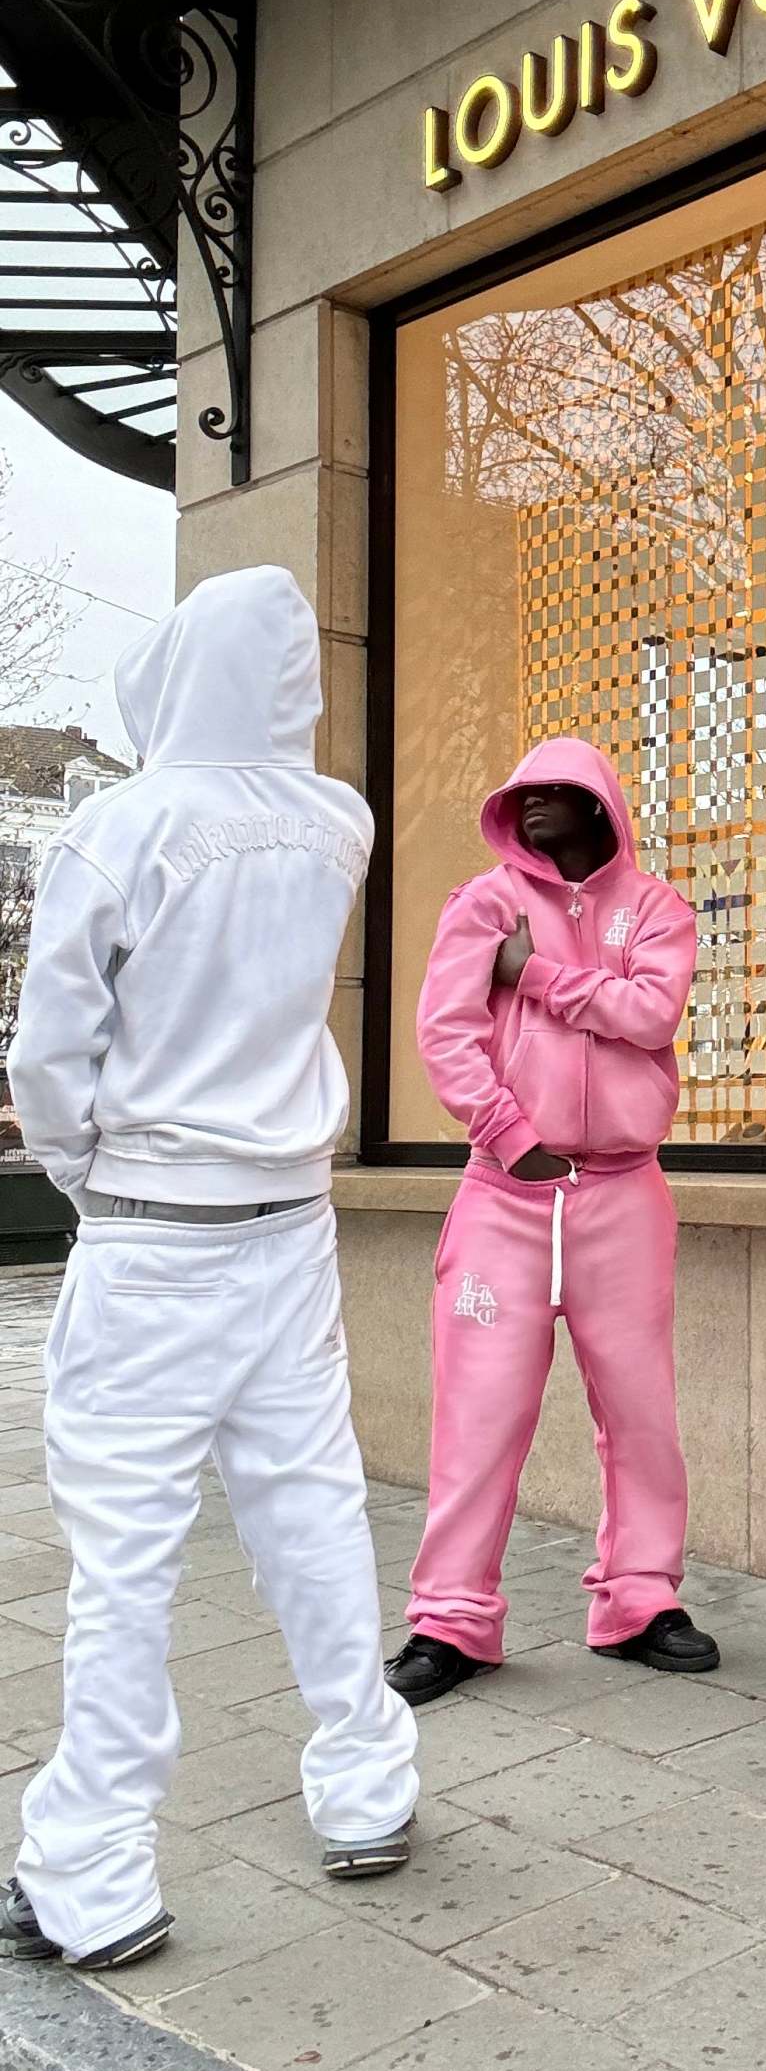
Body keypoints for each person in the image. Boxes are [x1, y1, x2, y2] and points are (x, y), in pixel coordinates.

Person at [2, 566, 419, 1973]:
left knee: (125, 1559)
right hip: (289, 1224)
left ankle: (95, 1870)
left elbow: (47, 1060)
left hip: (153, 1230)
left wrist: (86, 1174)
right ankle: (366, 1781)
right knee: (312, 1509)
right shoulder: (339, 822)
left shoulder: (121, 829)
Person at [385, 737, 716, 1706]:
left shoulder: (657, 909)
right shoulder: (484, 903)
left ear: (600, 804)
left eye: (555, 791)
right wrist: (509, 1133)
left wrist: (534, 975)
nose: (531, 804)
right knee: (479, 1414)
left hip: (624, 1192)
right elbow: (446, 1031)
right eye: (521, 793)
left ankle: (641, 1600)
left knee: (641, 1411)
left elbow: (652, 1016)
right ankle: (451, 1619)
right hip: (505, 1195)